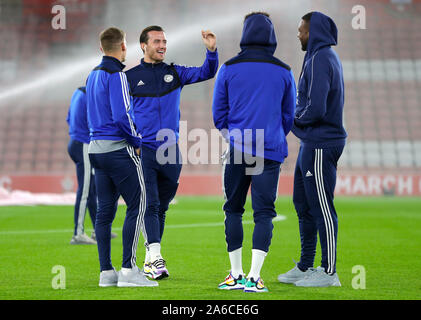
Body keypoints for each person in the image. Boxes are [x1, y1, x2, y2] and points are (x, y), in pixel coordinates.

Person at [125, 25, 218, 280]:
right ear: (143, 45)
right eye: (157, 41)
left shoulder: (175, 72)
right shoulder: (129, 77)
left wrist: (211, 52)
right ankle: (156, 258)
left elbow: (206, 72)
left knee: (161, 208)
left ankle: (149, 258)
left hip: (171, 152)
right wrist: (132, 139)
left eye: (164, 41)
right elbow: (122, 113)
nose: (163, 45)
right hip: (144, 150)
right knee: (151, 204)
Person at [212, 12, 296, 293]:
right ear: (270, 35)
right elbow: (288, 116)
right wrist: (270, 137)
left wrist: (234, 138)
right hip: (270, 151)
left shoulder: (228, 68)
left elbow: (218, 114)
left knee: (233, 210)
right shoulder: (284, 71)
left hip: (237, 149)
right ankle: (254, 277)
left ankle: (235, 275)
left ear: (245, 33)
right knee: (264, 214)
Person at [277, 12, 347, 287]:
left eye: (302, 30)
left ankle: (329, 272)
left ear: (313, 32)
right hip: (312, 142)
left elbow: (316, 107)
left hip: (321, 142)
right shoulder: (318, 57)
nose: (298, 34)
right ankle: (306, 266)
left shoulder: (321, 58)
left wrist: (290, 120)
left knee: (321, 208)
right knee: (303, 204)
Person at [86, 27, 157, 288]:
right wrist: (136, 142)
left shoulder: (92, 75)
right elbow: (122, 115)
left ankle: (106, 272)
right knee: (138, 204)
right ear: (123, 46)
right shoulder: (117, 75)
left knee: (104, 212)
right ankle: (129, 269)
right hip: (118, 150)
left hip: (95, 150)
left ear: (101, 47)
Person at [66, 86, 97, 245]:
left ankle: (97, 231)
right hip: (84, 144)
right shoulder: (90, 96)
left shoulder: (77, 92)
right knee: (85, 190)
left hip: (74, 141)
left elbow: (68, 118)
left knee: (91, 189)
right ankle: (78, 233)